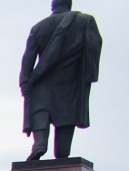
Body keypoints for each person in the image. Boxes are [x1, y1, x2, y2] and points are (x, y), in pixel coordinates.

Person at [20, 1, 102, 160]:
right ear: (69, 5)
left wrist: (25, 81)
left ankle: (40, 143)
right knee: (65, 126)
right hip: (70, 84)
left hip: (41, 84)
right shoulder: (85, 21)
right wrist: (88, 75)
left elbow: (28, 58)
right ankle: (62, 156)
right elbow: (94, 47)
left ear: (53, 6)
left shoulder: (38, 28)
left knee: (40, 113)